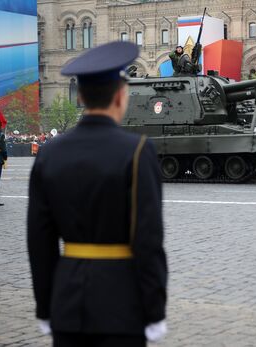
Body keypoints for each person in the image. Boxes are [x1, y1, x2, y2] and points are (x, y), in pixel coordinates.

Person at [27, 41, 168, 347]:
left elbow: (40, 242)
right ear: (121, 95)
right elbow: (148, 240)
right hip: (122, 307)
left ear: (79, 96)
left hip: (67, 305)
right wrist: (155, 310)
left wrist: (45, 306)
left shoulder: (49, 154)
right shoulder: (138, 151)